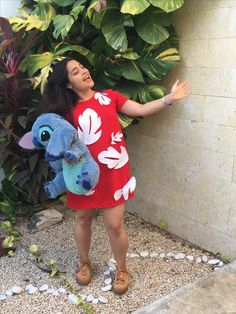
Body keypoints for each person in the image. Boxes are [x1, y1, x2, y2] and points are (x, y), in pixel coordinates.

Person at [40, 57, 190, 294]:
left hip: (113, 170)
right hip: (83, 175)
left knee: (115, 225)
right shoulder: (66, 113)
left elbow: (140, 109)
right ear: (68, 84)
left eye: (83, 67)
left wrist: (168, 99)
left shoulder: (109, 96)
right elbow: (57, 141)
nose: (84, 72)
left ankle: (122, 269)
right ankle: (84, 262)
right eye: (76, 72)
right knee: (82, 220)